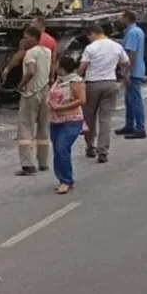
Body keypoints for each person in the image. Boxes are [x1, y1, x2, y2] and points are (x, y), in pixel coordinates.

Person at [78, 24, 130, 163]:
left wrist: (76, 79)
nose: (89, 39)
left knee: (89, 118)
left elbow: (82, 67)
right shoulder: (116, 46)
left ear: (92, 33)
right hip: (110, 84)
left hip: (92, 85)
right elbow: (126, 63)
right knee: (105, 119)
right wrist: (124, 78)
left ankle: (90, 147)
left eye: (89, 36)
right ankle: (103, 151)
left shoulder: (91, 48)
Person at [15, 26, 52, 176]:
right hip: (45, 91)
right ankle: (43, 163)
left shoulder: (30, 53)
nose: (23, 40)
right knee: (43, 127)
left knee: (25, 127)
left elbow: (30, 71)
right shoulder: (47, 51)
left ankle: (28, 165)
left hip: (31, 93)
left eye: (25, 37)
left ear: (32, 38)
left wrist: (21, 85)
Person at [47, 56, 87, 194]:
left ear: (62, 67)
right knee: (59, 151)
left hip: (71, 120)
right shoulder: (58, 80)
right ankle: (63, 178)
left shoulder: (75, 82)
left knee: (61, 147)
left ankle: (65, 180)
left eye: (57, 64)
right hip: (55, 120)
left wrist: (61, 108)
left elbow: (81, 100)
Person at [115, 11, 147, 140]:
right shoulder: (136, 31)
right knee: (129, 100)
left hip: (134, 71)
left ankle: (140, 128)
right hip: (137, 69)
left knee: (135, 101)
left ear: (127, 18)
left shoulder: (132, 33)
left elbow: (131, 54)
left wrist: (127, 72)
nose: (120, 19)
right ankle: (129, 125)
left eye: (122, 17)